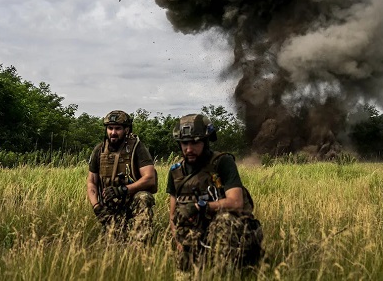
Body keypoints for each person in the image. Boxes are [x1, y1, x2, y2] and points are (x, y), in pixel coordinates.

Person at [167, 114, 263, 271]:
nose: (189, 149)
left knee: (224, 220)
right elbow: (173, 216)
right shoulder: (176, 172)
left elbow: (236, 202)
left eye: (195, 142)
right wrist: (179, 242)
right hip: (195, 232)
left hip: (229, 231)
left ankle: (226, 271)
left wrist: (200, 206)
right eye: (184, 143)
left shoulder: (222, 163)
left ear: (206, 141)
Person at [86, 110, 158, 242]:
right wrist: (97, 207)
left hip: (131, 200)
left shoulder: (137, 147)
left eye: (118, 128)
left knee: (143, 197)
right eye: (110, 128)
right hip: (111, 204)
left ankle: (141, 245)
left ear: (126, 129)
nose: (113, 132)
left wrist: (123, 190)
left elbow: (150, 178)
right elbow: (91, 181)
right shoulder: (99, 150)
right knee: (111, 247)